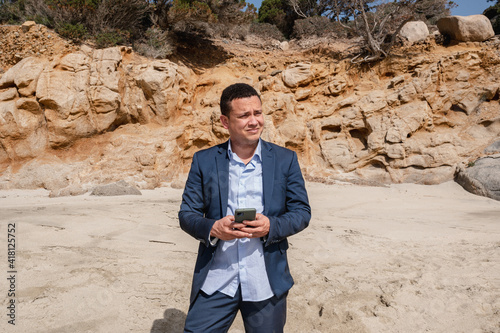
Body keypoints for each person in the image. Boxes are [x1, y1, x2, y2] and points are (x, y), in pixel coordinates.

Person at [178, 83, 311, 332]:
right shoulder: (204, 160)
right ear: (225, 122)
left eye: (257, 113)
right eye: (244, 115)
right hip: (217, 278)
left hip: (265, 279)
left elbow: (302, 212)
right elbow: (187, 215)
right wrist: (214, 228)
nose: (254, 121)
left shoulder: (285, 159)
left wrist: (271, 225)